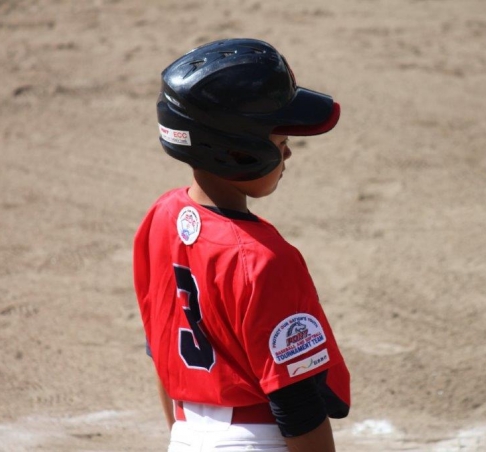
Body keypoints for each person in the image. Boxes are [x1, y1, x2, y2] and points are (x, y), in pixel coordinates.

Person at [133, 38, 351, 452]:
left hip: (186, 436)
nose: (289, 152)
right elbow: (297, 403)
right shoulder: (263, 258)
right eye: (280, 142)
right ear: (238, 152)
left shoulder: (160, 219)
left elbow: (162, 355)